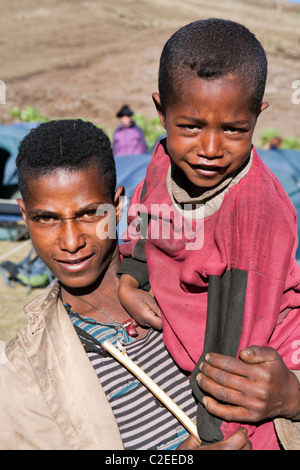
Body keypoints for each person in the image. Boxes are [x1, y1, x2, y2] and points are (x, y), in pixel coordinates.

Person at [0, 119, 251, 450]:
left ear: (117, 206)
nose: (71, 242)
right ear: (24, 215)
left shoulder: (195, 278)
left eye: (89, 214)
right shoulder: (23, 370)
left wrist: (291, 398)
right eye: (46, 218)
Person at [117, 19, 300, 449]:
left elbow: (238, 343)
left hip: (257, 350)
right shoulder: (162, 160)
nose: (211, 149)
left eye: (235, 129)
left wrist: (214, 433)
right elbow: (144, 215)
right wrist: (129, 279)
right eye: (191, 126)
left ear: (258, 115)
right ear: (161, 112)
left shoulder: (256, 212)